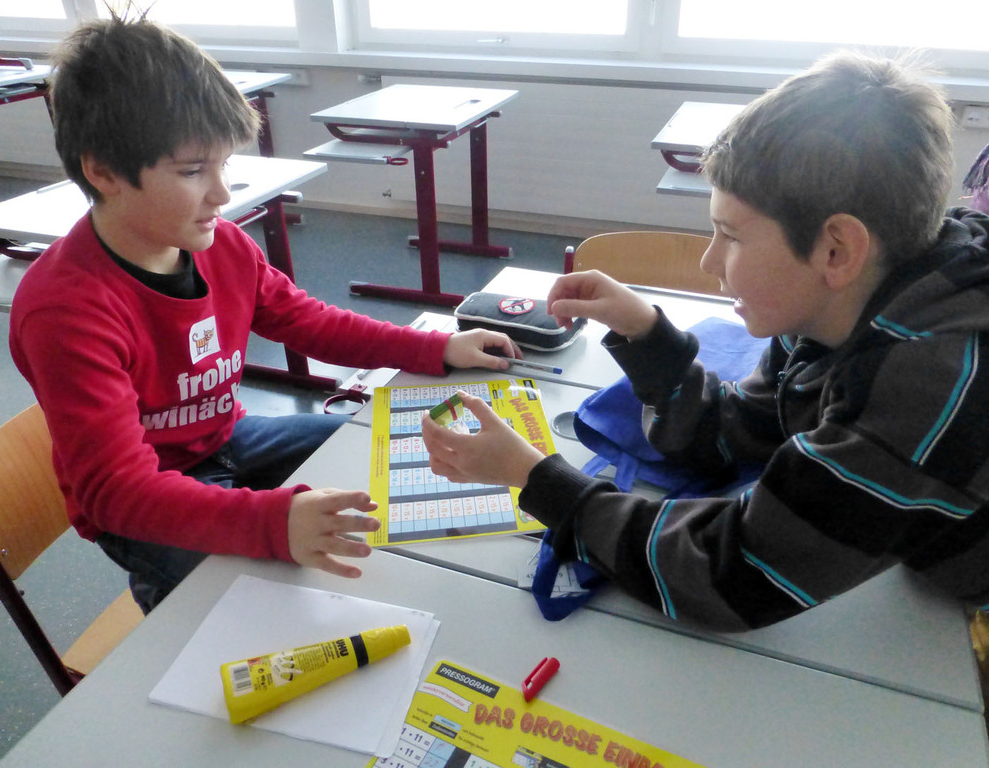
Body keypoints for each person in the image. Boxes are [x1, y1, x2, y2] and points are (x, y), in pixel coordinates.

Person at [423, 51, 989, 632]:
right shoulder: (830, 311)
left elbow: (733, 576)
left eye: (730, 236)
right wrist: (647, 335)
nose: (709, 262)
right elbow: (729, 435)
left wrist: (536, 478)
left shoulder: (926, 381)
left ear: (836, 251)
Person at [8, 14, 519, 614]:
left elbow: (308, 321)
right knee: (253, 601)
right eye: (193, 171)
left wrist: (433, 347)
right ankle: (163, 610)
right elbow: (118, 494)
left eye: (223, 165)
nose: (222, 194)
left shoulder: (218, 243)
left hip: (227, 439)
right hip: (148, 502)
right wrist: (273, 523)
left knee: (368, 448)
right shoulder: (65, 310)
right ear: (103, 172)